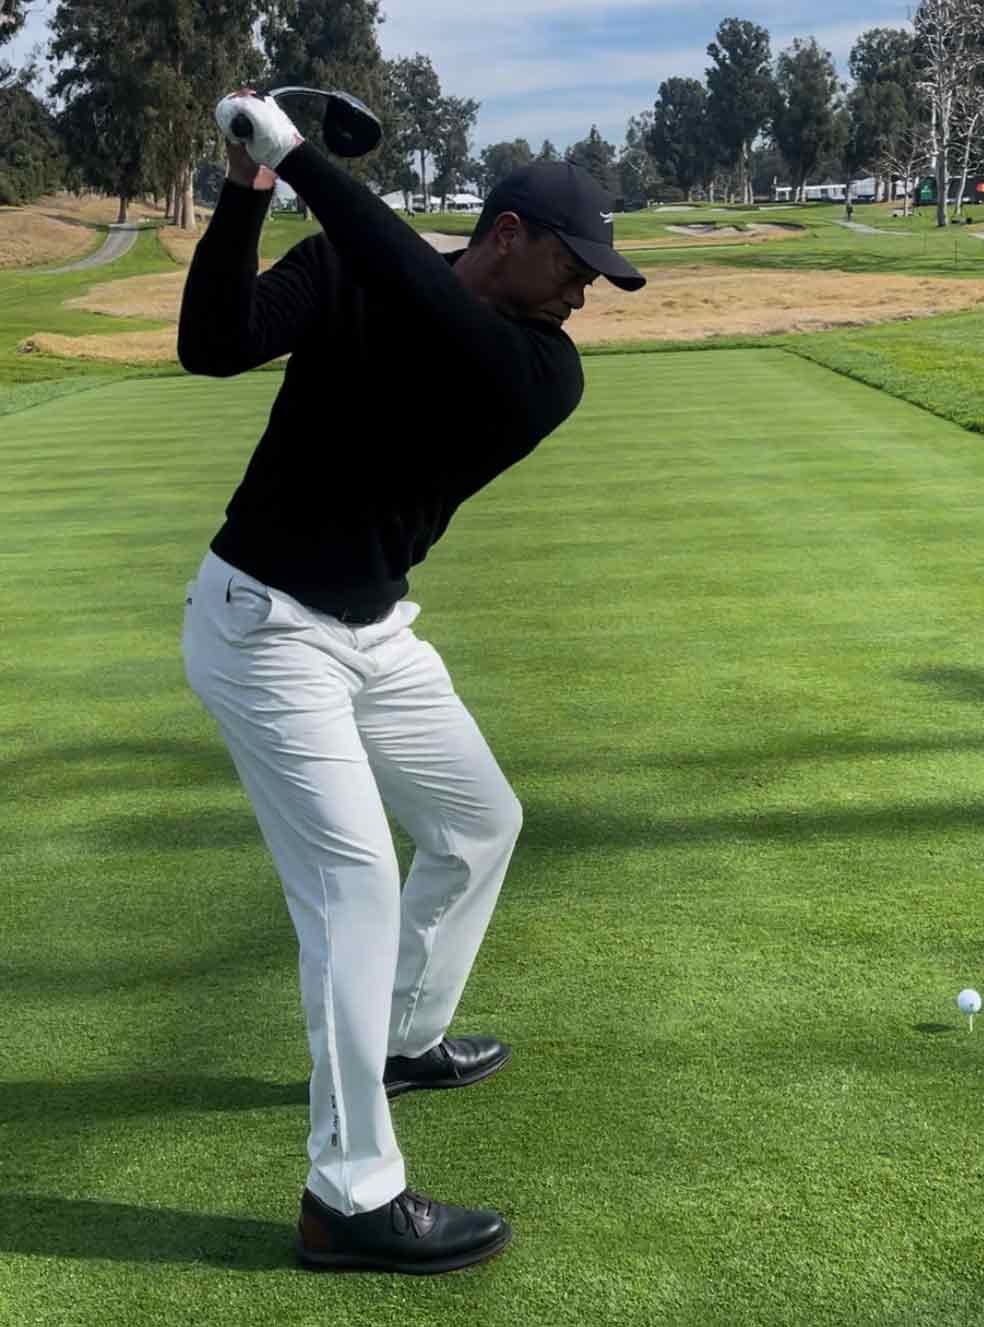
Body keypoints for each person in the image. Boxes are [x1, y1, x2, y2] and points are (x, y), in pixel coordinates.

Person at [178, 89, 645, 1276]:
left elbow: (425, 300)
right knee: (353, 885)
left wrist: (301, 156)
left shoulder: (540, 370)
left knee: (481, 822)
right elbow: (212, 341)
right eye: (574, 261)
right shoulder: (348, 269)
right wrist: (251, 184)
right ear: (506, 234)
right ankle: (350, 1192)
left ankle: (402, 1037)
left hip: (378, 634)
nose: (586, 288)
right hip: (263, 625)